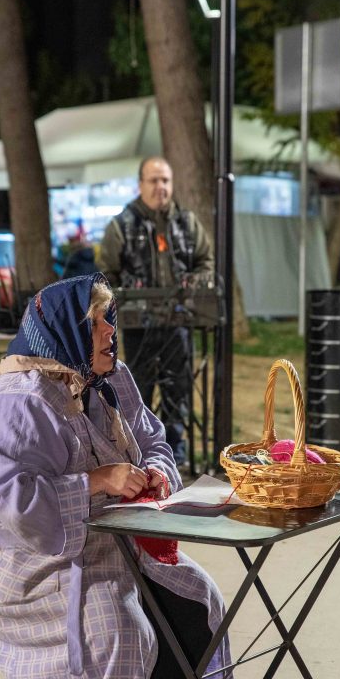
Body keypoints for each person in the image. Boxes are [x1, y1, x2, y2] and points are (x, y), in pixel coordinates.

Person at [0, 273, 237, 679]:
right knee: (119, 629)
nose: (110, 330)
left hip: (99, 536)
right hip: (16, 564)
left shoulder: (108, 377)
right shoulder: (18, 403)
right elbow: (19, 508)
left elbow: (153, 437)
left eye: (110, 317)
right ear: (63, 333)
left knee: (200, 598)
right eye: (97, 321)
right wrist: (99, 481)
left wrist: (154, 473)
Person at [99, 156, 214, 468]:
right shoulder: (121, 225)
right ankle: (139, 455)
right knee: (137, 390)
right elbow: (106, 274)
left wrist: (195, 282)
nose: (160, 187)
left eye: (165, 180)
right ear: (140, 185)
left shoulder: (187, 223)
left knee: (179, 389)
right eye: (153, 180)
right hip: (139, 327)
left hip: (180, 322)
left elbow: (206, 261)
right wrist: (127, 295)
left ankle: (175, 456)